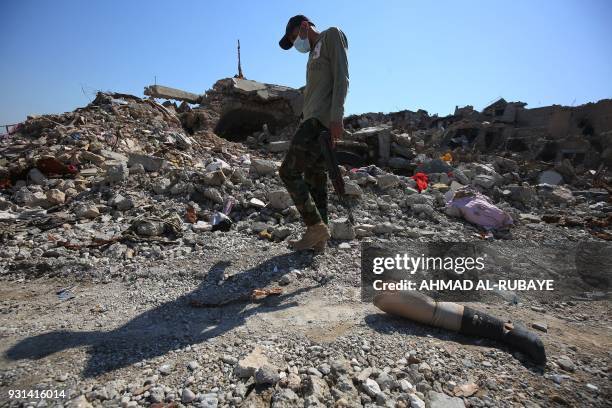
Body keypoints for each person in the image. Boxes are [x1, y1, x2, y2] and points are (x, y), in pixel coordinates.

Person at [277, 15, 349, 252]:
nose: (296, 42)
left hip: (320, 121)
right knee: (315, 178)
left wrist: (337, 117)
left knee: (287, 171)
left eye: (294, 37)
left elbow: (342, 77)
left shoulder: (331, 35)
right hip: (311, 119)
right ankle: (320, 239)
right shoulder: (311, 54)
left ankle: (314, 226)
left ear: (305, 27)